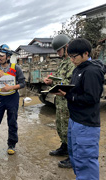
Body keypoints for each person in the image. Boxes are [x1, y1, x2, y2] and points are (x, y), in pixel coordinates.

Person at [57, 38, 105, 180]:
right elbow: (77, 90)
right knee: (76, 157)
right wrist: (66, 92)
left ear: (85, 54)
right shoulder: (79, 68)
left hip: (86, 124)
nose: (72, 60)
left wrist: (68, 96)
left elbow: (91, 98)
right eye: (70, 56)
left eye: (74, 56)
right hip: (75, 120)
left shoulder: (91, 71)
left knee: (85, 161)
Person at [43, 34, 74, 168]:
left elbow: (69, 82)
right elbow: (60, 79)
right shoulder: (63, 62)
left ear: (66, 47)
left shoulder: (72, 62)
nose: (57, 53)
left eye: (59, 50)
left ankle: (72, 157)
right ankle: (64, 147)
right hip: (60, 101)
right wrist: (51, 81)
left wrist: (54, 81)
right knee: (61, 126)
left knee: (68, 128)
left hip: (67, 100)